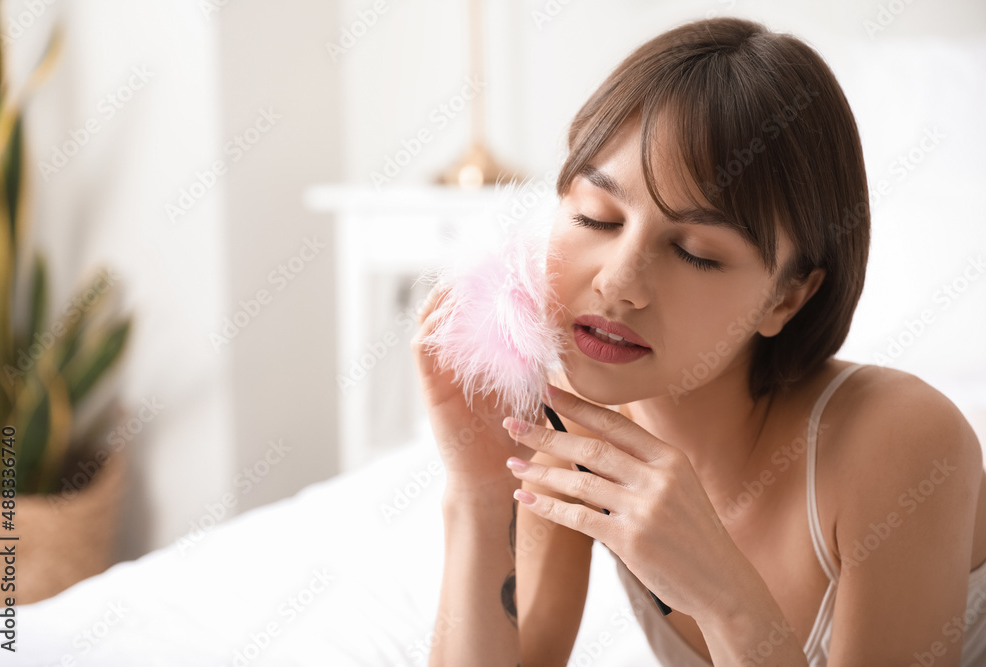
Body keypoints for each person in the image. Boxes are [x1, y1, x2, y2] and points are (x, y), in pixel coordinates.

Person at [411, 16, 986, 667]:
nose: (621, 283)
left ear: (787, 296)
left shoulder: (899, 440)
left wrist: (722, 593)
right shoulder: (571, 425)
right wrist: (478, 494)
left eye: (695, 252)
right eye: (596, 217)